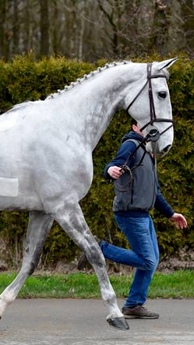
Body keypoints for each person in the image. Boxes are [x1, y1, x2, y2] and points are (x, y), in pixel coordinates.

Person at [78, 122, 187, 319]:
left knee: (151, 261)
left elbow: (155, 191)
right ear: (135, 127)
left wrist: (171, 214)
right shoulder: (131, 144)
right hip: (129, 213)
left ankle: (134, 304)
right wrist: (110, 170)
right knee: (147, 260)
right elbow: (113, 164)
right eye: (144, 124)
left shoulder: (148, 151)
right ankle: (98, 248)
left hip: (143, 214)